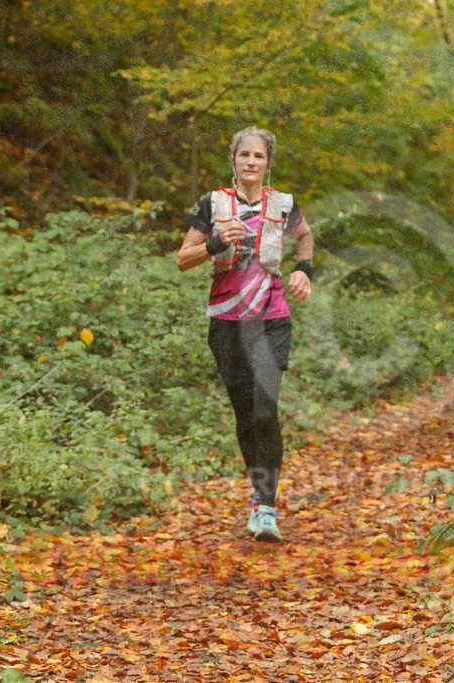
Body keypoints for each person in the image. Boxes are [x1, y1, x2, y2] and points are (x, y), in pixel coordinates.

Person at [176, 126, 314, 543]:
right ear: (233, 161)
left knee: (264, 410)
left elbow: (305, 236)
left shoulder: (283, 203)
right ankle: (258, 493)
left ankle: (267, 507)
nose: (251, 162)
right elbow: (182, 259)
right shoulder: (212, 204)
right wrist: (215, 243)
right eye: (244, 155)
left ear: (269, 164)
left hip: (272, 318)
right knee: (244, 414)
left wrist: (304, 270)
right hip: (227, 321)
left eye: (259, 156)